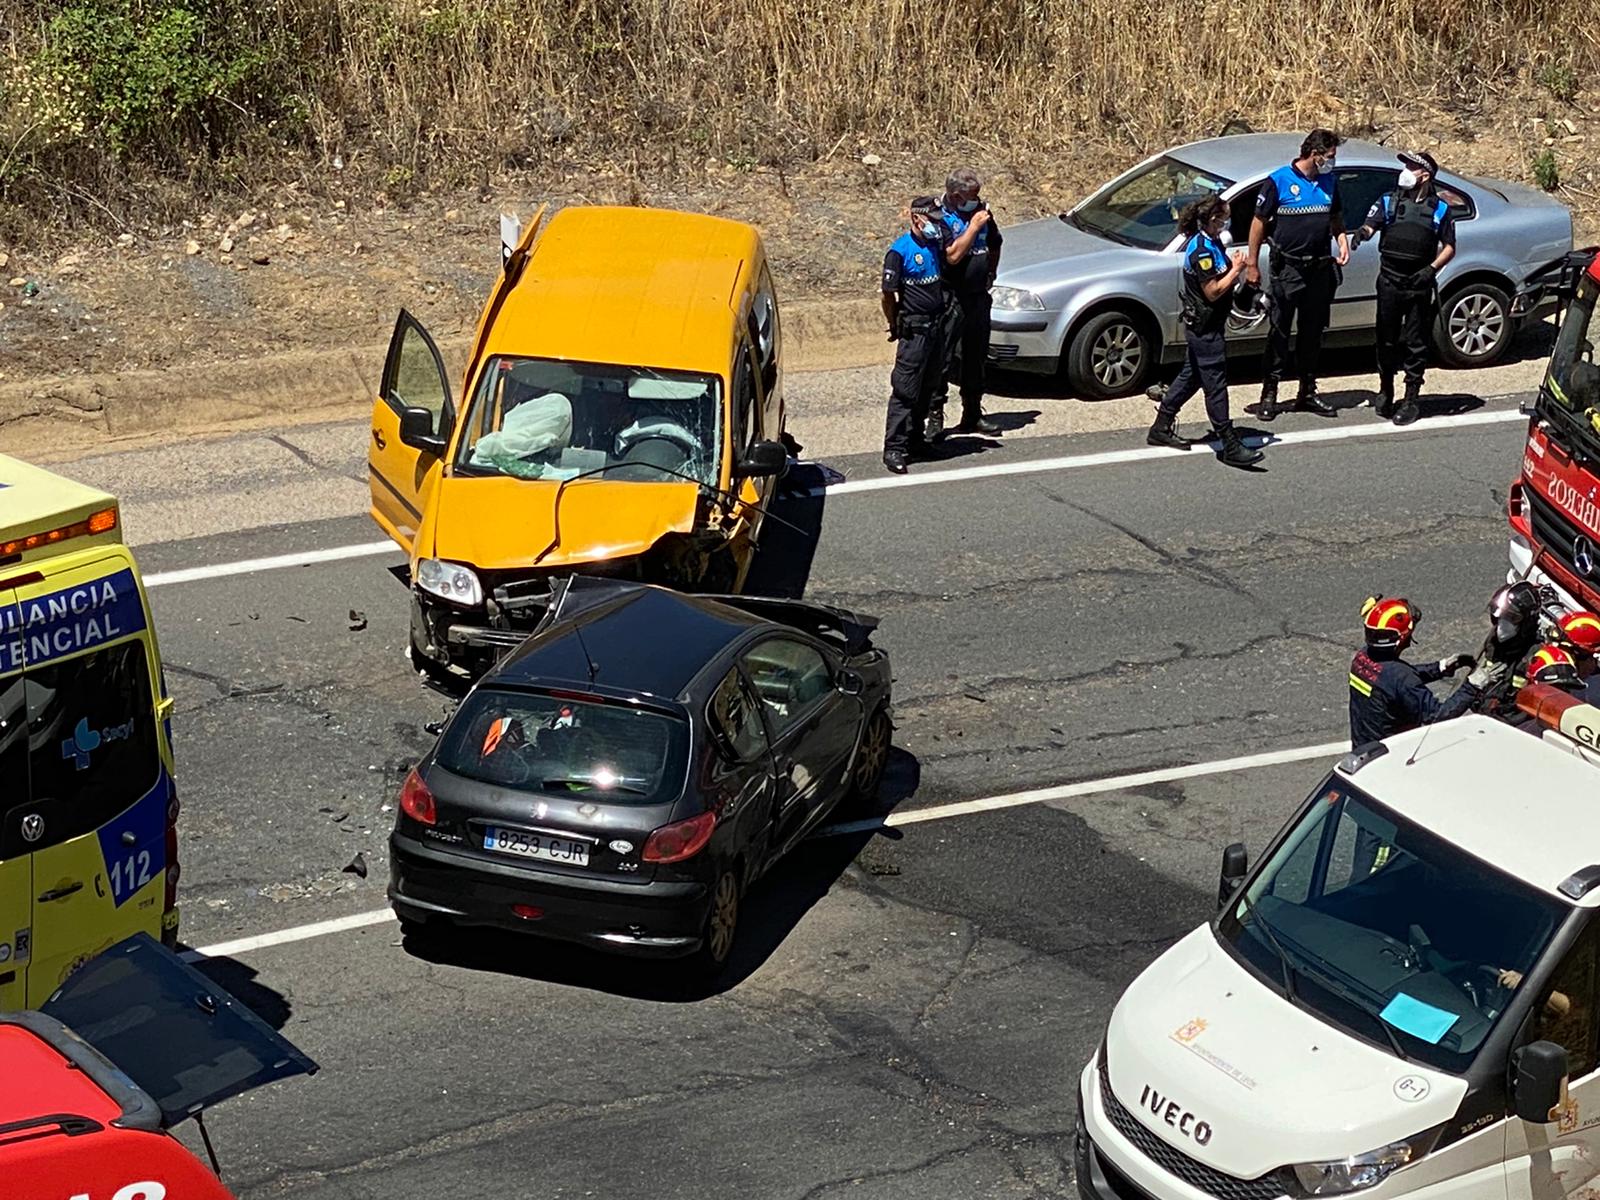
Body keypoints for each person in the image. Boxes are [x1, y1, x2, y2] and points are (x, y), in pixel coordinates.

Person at [1144, 195, 1263, 467]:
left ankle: (1161, 427)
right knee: (1216, 385)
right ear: (1211, 219)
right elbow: (1212, 291)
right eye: (1223, 217)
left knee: (1191, 376)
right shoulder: (1200, 251)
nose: (1226, 222)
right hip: (1204, 328)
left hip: (1212, 323)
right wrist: (1237, 269)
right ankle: (1228, 443)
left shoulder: (1213, 242)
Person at [881, 195, 988, 474]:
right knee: (905, 390)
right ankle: (895, 447)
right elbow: (888, 295)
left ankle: (917, 441)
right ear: (917, 219)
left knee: (928, 387)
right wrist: (894, 324)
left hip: (937, 327)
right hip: (914, 330)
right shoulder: (900, 252)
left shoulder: (936, 243)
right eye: (932, 220)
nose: (936, 225)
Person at [1246, 130, 1349, 421]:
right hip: (1288, 269)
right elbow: (1257, 224)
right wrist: (1252, 264)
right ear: (1314, 154)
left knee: (1312, 333)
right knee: (1279, 332)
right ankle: (1270, 393)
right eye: (1329, 157)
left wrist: (1341, 240)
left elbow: (1335, 218)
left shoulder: (1329, 182)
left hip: (1319, 268)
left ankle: (1307, 390)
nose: (1332, 163)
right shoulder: (1279, 181)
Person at [1350, 151, 1457, 425]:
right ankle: (1386, 389)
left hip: (1418, 283)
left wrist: (1430, 270)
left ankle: (1411, 399)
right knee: (1385, 339)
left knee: (1416, 342)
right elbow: (1372, 225)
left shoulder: (1440, 208)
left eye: (1412, 166)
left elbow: (1449, 248)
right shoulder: (1389, 200)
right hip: (1389, 281)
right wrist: (1362, 234)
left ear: (1426, 175)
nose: (1406, 170)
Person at [1348, 595, 1504, 747]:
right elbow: (1438, 716)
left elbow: (1392, 681)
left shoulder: (1362, 657)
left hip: (1363, 749)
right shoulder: (1400, 677)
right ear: (1402, 638)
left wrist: (1439, 668)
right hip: (1392, 755)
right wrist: (1472, 687)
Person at [928, 169, 1003, 441]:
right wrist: (973, 226)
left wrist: (991, 273)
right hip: (951, 297)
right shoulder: (939, 217)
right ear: (956, 195)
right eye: (972, 196)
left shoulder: (982, 212)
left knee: (976, 356)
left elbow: (995, 243)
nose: (977, 200)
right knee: (943, 359)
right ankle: (934, 415)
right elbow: (953, 256)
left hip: (977, 297)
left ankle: (972, 412)